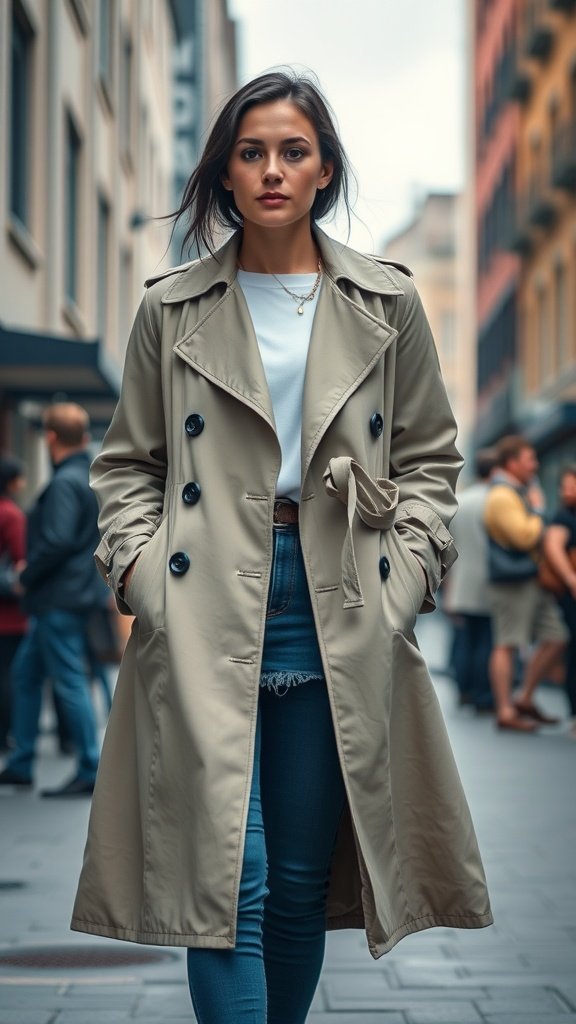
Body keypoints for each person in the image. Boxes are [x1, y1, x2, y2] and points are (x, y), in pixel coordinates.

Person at [71, 70, 492, 1023]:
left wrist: (411, 570)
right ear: (224, 172)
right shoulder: (169, 307)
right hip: (203, 599)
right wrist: (143, 570)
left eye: (292, 151)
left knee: (300, 878)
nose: (271, 170)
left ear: (324, 169)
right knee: (229, 879)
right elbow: (126, 464)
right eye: (251, 152)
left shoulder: (387, 302)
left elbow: (430, 454)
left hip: (339, 597)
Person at [0, 403, 102, 796]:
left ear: (52, 438)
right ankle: (22, 762)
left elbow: (56, 540)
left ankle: (91, 766)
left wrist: (26, 573)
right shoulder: (86, 477)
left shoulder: (64, 482)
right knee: (27, 675)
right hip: (68, 596)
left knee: (69, 681)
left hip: (58, 598)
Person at [484, 434, 568, 732]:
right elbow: (524, 536)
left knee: (557, 635)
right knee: (506, 643)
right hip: (512, 582)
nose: (534, 464)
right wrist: (539, 511)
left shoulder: (515, 492)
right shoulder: (502, 495)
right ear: (512, 462)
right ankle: (506, 709)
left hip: (529, 580)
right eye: (529, 459)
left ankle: (524, 698)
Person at [443, 448, 496, 712]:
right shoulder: (498, 501)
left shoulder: (460, 502)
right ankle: (482, 695)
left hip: (460, 580)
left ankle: (463, 690)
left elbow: (448, 547)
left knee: (464, 639)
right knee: (486, 640)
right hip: (490, 582)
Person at [543, 465, 576, 732]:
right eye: (564, 486)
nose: (566, 491)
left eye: (570, 485)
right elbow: (553, 547)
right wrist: (571, 579)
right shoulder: (563, 517)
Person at [0, 455, 28, 753]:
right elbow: (22, 558)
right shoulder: (10, 514)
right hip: (8, 613)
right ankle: (5, 735)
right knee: (9, 674)